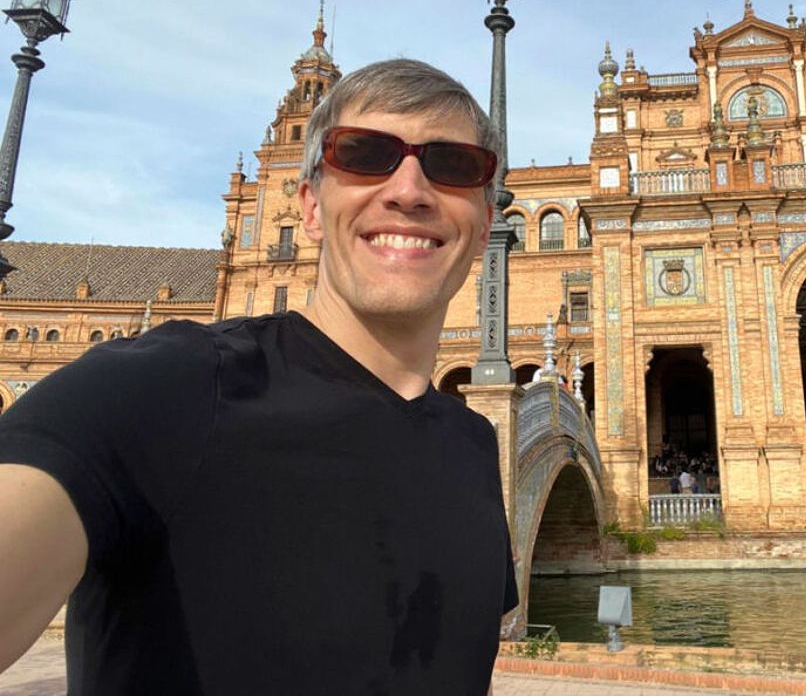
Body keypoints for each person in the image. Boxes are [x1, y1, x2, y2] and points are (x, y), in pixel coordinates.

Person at [0, 60, 518, 694]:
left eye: (454, 164)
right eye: (363, 154)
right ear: (307, 205)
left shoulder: (474, 444)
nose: (408, 189)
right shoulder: (167, 387)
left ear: (486, 223)